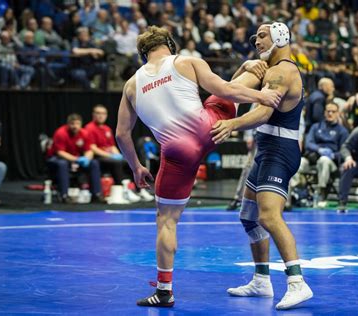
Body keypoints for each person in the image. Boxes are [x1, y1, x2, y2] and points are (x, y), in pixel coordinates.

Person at [115, 25, 281, 308]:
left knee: (166, 221)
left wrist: (136, 167)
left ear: (143, 54)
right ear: (169, 43)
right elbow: (226, 89)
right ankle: (257, 65)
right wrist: (261, 97)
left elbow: (121, 134)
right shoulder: (186, 61)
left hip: (177, 153)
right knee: (220, 98)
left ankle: (164, 290)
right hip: (211, 129)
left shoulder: (131, 85)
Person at [210, 22, 313, 310]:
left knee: (268, 216)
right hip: (267, 148)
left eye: (263, 36)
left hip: (280, 151)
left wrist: (232, 124)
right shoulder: (267, 69)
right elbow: (229, 91)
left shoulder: (283, 71)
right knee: (248, 215)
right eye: (255, 37)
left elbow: (264, 113)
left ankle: (297, 282)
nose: (256, 41)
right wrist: (244, 67)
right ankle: (261, 280)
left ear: (281, 36)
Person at [47, 113, 104, 203]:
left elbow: (89, 150)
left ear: (81, 124)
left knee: (94, 163)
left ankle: (96, 194)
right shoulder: (61, 133)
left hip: (76, 158)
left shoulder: (84, 133)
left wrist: (86, 158)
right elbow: (60, 152)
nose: (75, 126)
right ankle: (64, 195)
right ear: (68, 124)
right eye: (72, 124)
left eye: (77, 124)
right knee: (63, 164)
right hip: (57, 158)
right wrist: (76, 159)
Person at [304, 102, 349, 207]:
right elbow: (308, 143)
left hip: (331, 163)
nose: (330, 113)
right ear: (324, 112)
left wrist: (333, 155)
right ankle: (295, 194)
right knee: (299, 163)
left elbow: (344, 151)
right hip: (313, 158)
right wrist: (319, 149)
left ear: (338, 113)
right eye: (328, 111)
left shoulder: (342, 131)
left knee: (324, 160)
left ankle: (321, 193)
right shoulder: (316, 127)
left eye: (333, 111)